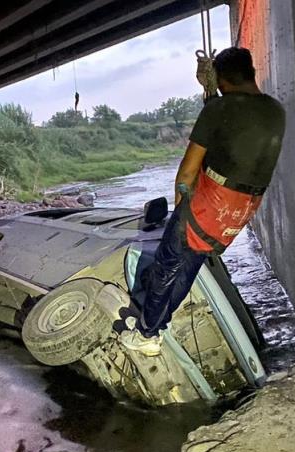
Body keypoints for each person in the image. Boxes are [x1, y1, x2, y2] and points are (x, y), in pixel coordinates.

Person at [120, 47, 286, 356]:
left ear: (222, 80)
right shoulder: (275, 110)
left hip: (208, 204)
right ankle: (158, 324)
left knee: (166, 266)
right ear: (250, 72)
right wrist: (213, 92)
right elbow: (233, 133)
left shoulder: (218, 109)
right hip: (238, 212)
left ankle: (146, 335)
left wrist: (180, 205)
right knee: (190, 264)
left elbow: (189, 168)